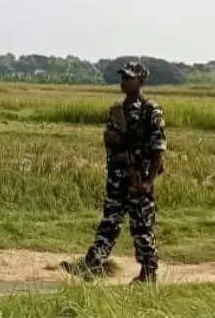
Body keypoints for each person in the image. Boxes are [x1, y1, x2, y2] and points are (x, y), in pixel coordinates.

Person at [61, 62, 166, 283]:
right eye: (123, 77)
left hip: (138, 180)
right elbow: (109, 139)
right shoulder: (116, 110)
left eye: (129, 78)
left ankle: (148, 272)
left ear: (141, 81)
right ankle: (92, 265)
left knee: (142, 228)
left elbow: (158, 149)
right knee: (109, 222)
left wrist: (148, 181)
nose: (124, 82)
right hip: (117, 178)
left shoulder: (151, 111)